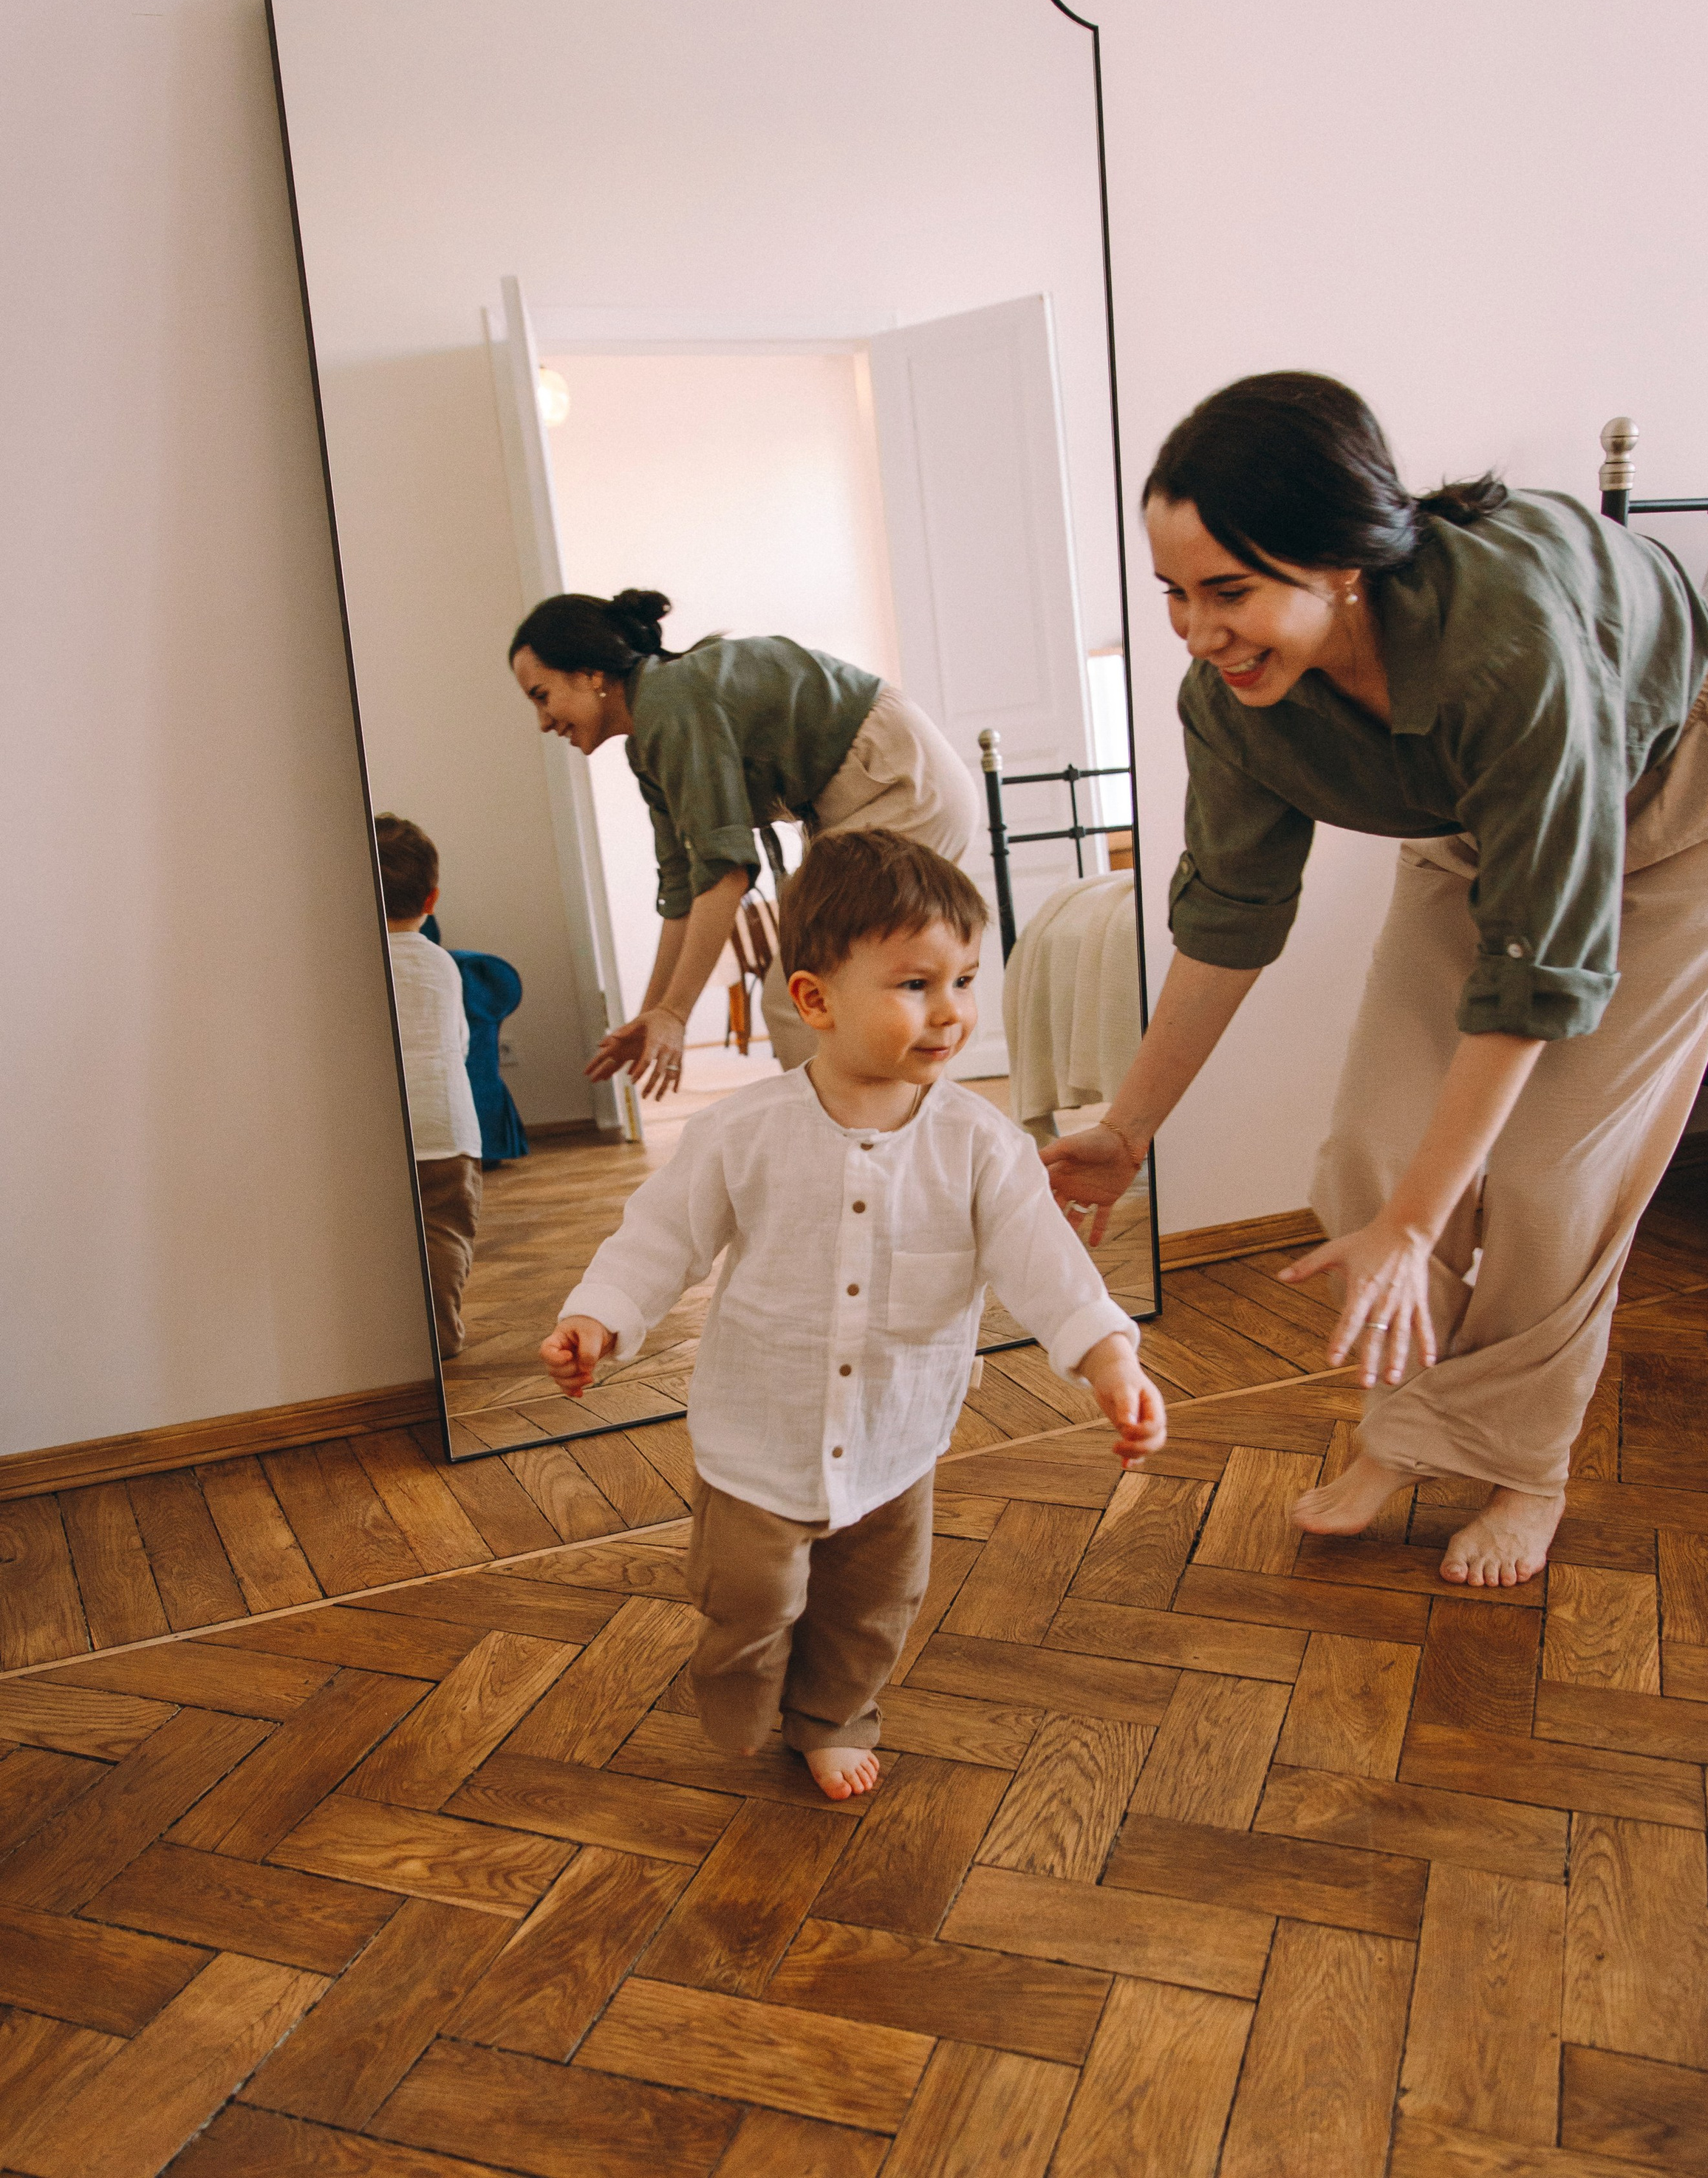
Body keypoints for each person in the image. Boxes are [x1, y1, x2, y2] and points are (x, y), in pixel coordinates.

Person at [1045, 373, 1708, 1591]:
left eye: (1229, 589)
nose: (1196, 628)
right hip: (1490, 808)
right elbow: (1229, 917)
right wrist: (1129, 1127)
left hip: (1681, 795)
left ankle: (1523, 1466)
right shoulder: (1234, 702)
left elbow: (1535, 970)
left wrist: (1419, 1226)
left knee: (1549, 1173)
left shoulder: (1507, 643)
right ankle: (1410, 1432)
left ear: (1344, 564)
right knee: (1373, 1152)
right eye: (1174, 592)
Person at [541, 828, 1164, 1800]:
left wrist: (1110, 1360)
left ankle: (834, 1712)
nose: (950, 1012)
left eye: (963, 980)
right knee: (749, 1594)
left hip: (897, 1438)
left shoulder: (981, 1144)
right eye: (915, 985)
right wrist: (601, 1317)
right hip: (758, 1437)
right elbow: (662, 1235)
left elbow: (1046, 1261)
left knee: (873, 1603)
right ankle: (740, 1673)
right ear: (815, 1000)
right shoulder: (743, 1132)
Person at [510, 590, 980, 1094]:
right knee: (824, 990)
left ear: (589, 674)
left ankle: (873, 1144)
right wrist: (653, 1016)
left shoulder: (672, 703)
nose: (542, 721)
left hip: (900, 785)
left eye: (542, 695)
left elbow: (727, 873)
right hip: (871, 797)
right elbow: (685, 892)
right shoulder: (650, 738)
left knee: (804, 993)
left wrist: (676, 1012)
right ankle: (882, 1139)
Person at [376, 815, 484, 1362]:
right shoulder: (442, 965)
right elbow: (458, 1041)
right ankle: (440, 1330)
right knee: (443, 1232)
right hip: (447, 1126)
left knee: (378, 1236)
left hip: (377, 1129)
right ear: (432, 897)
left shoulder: (352, 965)